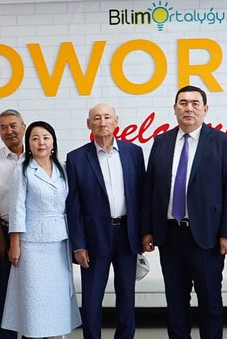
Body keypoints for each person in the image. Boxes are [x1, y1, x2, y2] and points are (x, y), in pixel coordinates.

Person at [141, 85, 227, 339]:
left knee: (209, 302)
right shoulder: (161, 142)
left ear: (205, 109)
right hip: (169, 235)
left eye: (195, 103)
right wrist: (147, 230)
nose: (189, 108)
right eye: (183, 103)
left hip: (207, 237)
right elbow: (150, 188)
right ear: (175, 108)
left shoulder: (222, 142)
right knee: (175, 302)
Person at [66, 104, 145, 339]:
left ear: (116, 121)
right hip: (94, 237)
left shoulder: (134, 152)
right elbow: (73, 205)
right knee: (92, 298)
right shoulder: (76, 158)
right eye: (97, 118)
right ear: (88, 124)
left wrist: (145, 232)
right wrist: (78, 244)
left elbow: (142, 196)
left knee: (126, 296)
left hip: (127, 234)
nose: (102, 122)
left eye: (107, 117)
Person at [2, 121, 82, 337]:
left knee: (56, 297)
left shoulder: (63, 169)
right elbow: (17, 209)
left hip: (59, 241)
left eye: (46, 138)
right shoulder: (23, 171)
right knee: (34, 298)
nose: (41, 143)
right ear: (28, 143)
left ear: (53, 142)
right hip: (32, 244)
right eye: (35, 138)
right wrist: (15, 244)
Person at [0, 109, 26, 339]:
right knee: (6, 294)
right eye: (3, 127)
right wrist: (0, 239)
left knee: (32, 293)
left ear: (23, 127)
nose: (9, 131)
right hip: (5, 231)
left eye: (13, 125)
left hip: (34, 234)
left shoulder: (37, 155)